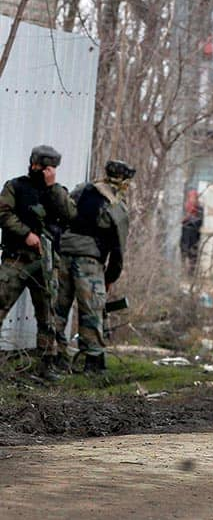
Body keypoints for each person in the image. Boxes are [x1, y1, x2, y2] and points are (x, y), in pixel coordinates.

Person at [0, 145, 76, 379]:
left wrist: (52, 187)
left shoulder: (57, 192)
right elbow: (3, 213)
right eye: (45, 167)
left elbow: (71, 215)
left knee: (48, 317)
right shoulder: (15, 186)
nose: (47, 171)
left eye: (52, 168)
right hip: (17, 259)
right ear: (34, 164)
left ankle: (46, 365)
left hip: (46, 263)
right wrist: (26, 234)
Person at [54, 160, 134, 373]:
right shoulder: (117, 206)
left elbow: (61, 216)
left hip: (64, 254)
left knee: (59, 307)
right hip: (88, 261)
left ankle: (53, 357)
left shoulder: (82, 189)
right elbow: (118, 250)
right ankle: (93, 362)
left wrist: (59, 245)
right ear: (125, 181)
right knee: (91, 310)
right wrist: (109, 277)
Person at [180, 189, 203, 276]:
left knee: (193, 254)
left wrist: (189, 218)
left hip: (194, 234)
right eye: (191, 197)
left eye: (194, 197)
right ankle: (182, 271)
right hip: (185, 234)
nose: (192, 199)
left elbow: (199, 221)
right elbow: (181, 220)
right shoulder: (186, 207)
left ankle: (191, 273)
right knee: (183, 252)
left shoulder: (199, 208)